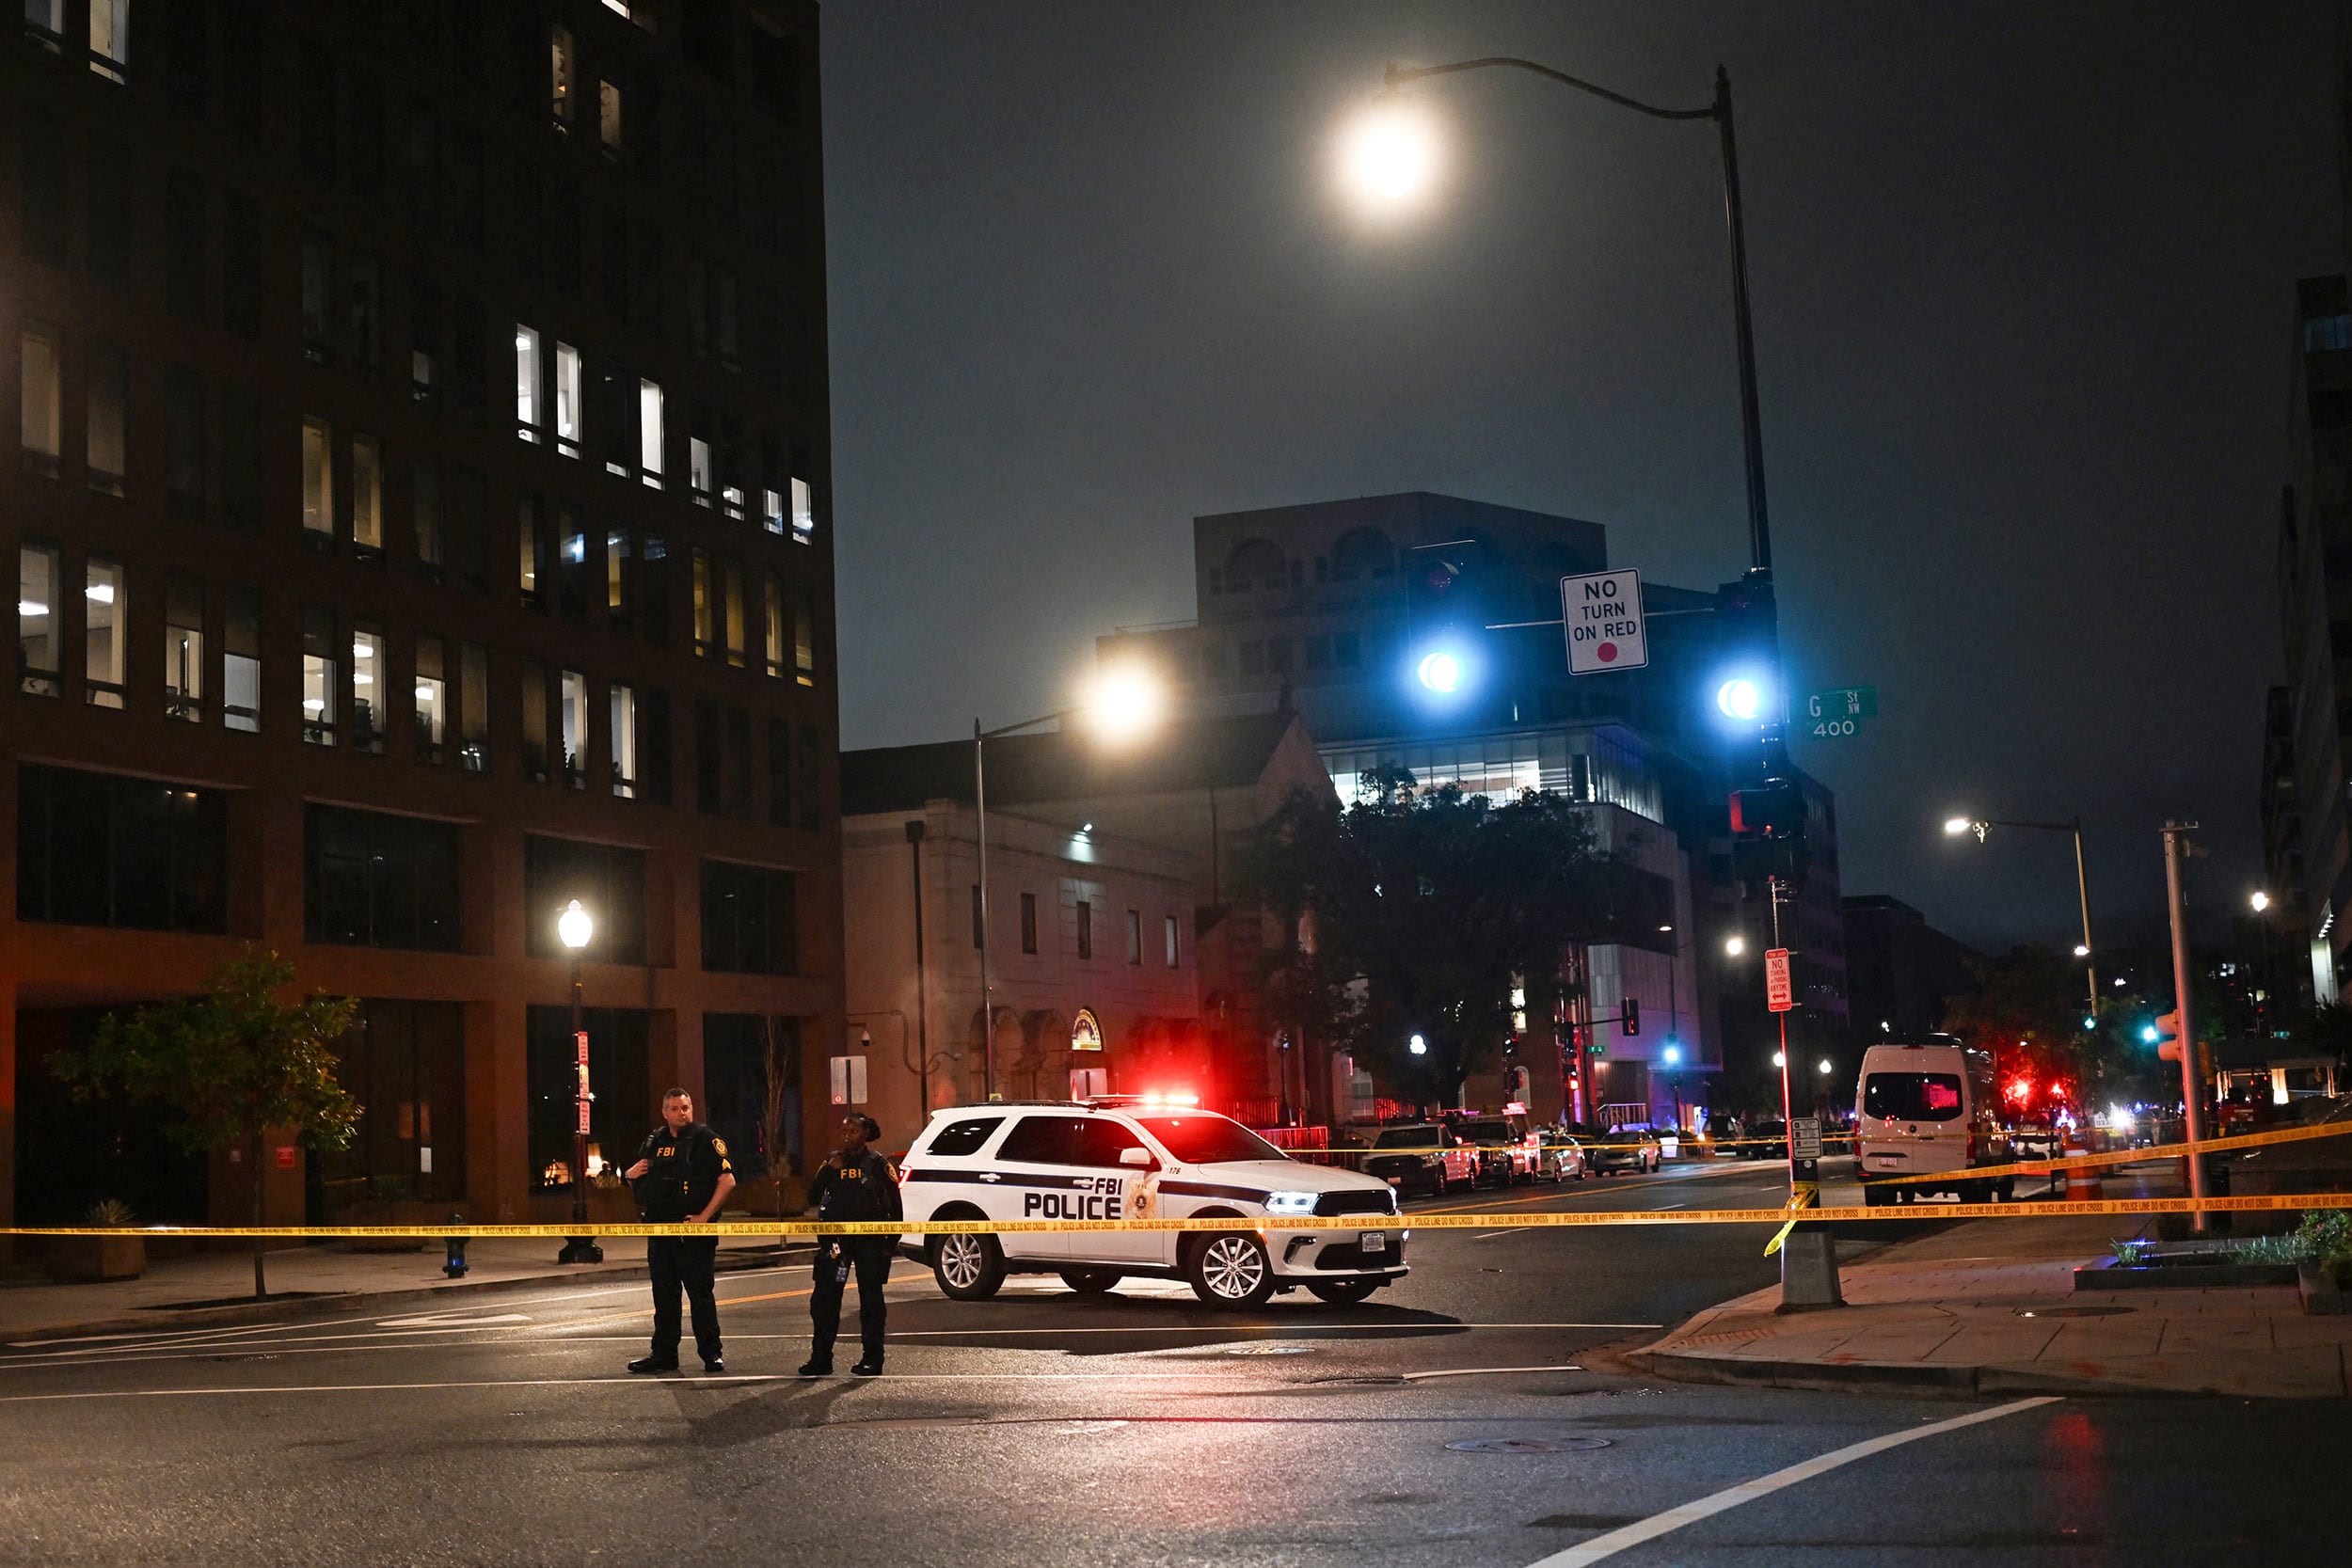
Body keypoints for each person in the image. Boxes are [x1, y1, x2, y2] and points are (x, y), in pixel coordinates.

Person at [623, 1088, 735, 1375]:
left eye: (685, 1107)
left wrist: (704, 1217)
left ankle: (712, 1355)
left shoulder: (705, 1139)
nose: (681, 1113)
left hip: (693, 1233)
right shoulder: (654, 1140)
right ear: (665, 1113)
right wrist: (628, 1175)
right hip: (661, 1231)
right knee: (664, 1296)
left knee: (700, 1295)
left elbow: (727, 1180)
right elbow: (641, 1181)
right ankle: (664, 1355)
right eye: (674, 1108)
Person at [800, 1113, 900, 1377]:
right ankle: (820, 1358)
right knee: (825, 1301)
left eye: (853, 1131)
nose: (847, 1136)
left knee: (871, 1302)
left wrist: (888, 1246)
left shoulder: (878, 1164)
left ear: (865, 1134)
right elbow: (810, 1196)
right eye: (844, 1131)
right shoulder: (832, 1161)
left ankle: (872, 1359)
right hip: (836, 1244)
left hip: (870, 1243)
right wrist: (829, 1170)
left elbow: (896, 1208)